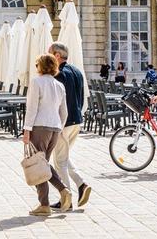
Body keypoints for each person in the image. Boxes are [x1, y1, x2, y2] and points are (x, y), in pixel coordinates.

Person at [23, 53, 73, 217]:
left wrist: (26, 130)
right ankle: (58, 193)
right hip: (55, 128)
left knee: (39, 165)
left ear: (40, 66)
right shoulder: (59, 85)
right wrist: (59, 127)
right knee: (43, 163)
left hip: (39, 126)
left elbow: (32, 108)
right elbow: (64, 112)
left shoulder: (37, 82)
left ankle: (48, 201)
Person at [48, 42, 92, 211]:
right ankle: (81, 184)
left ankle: (66, 199)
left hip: (63, 122)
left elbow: (57, 102)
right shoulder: (77, 71)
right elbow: (81, 97)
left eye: (50, 54)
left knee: (59, 161)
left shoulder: (58, 75)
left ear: (57, 56)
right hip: (77, 120)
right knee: (63, 158)